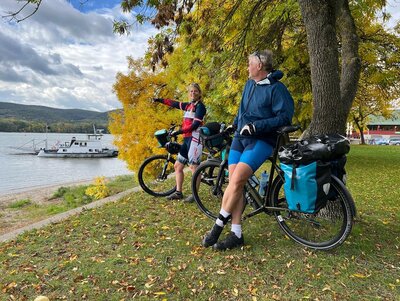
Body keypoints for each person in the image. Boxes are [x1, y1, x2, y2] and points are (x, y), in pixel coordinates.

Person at [202, 49, 294, 250]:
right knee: (236, 184)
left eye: (249, 63)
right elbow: (242, 111)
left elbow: (284, 117)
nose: (247, 67)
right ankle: (236, 233)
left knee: (236, 181)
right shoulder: (248, 85)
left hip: (261, 140)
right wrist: (234, 124)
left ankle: (217, 227)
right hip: (240, 139)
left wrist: (257, 126)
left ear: (259, 66)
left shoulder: (277, 89)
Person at [153, 83, 207, 202]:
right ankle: (178, 192)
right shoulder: (188, 106)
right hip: (187, 140)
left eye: (195, 91)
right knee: (178, 166)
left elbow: (195, 125)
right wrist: (159, 100)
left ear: (199, 93)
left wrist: (178, 132)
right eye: (191, 91)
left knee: (194, 167)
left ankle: (195, 195)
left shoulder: (200, 107)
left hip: (195, 139)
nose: (193, 93)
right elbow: (173, 103)